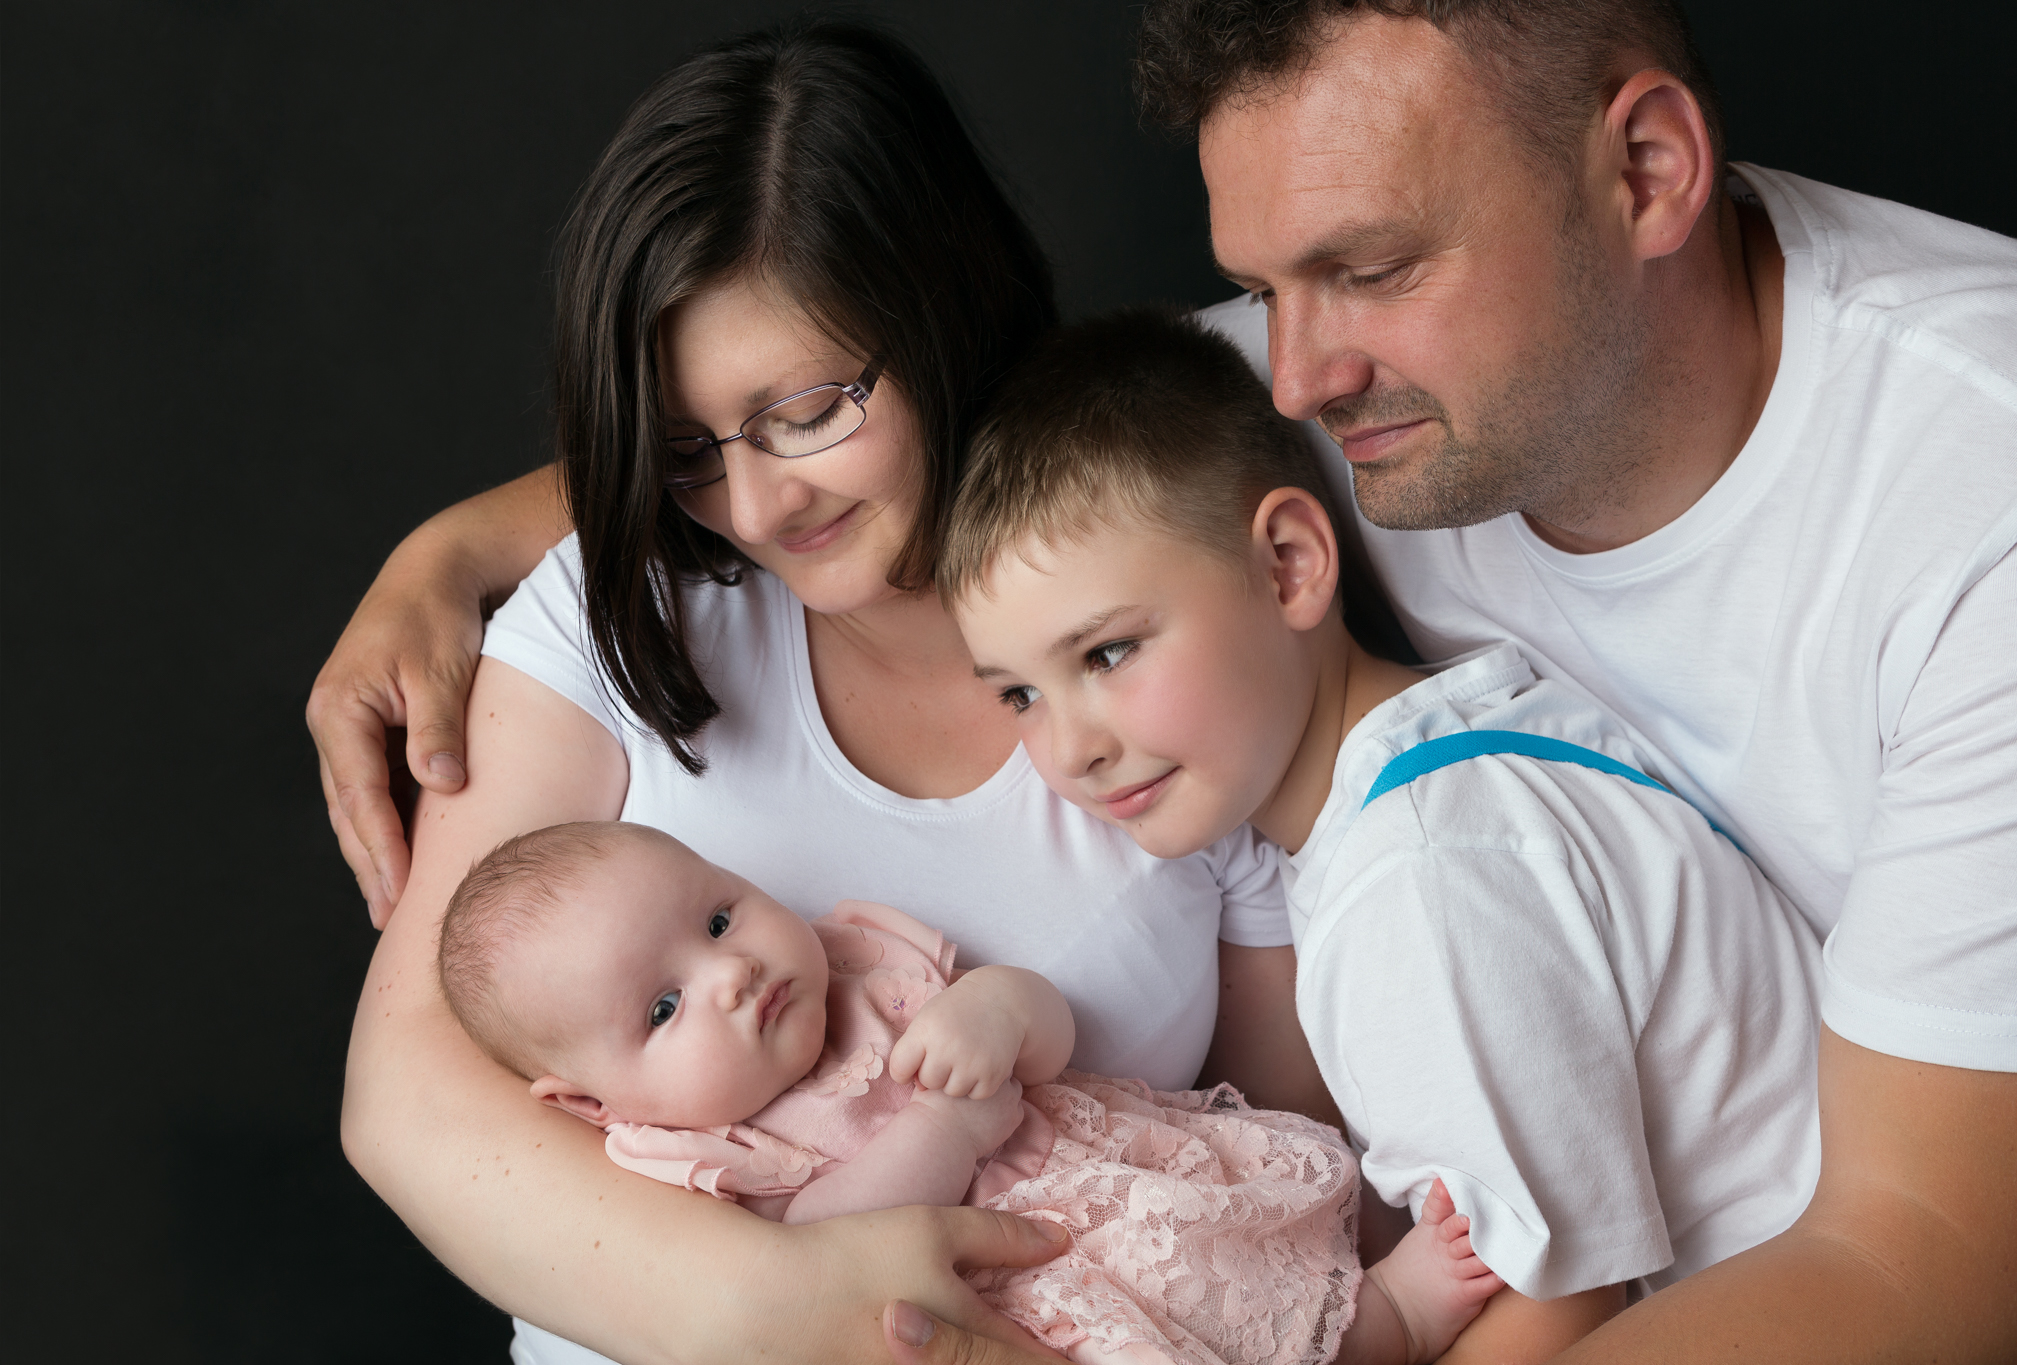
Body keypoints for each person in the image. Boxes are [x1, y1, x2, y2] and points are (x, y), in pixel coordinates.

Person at [323, 20, 1350, 1365]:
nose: (755, 509)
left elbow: (1283, 1183)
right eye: (688, 451)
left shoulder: (1173, 614)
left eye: (807, 413)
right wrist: (776, 1307)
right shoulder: (620, 613)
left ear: (942, 307)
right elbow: (405, 1096)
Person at [1132, 2, 2017, 1361]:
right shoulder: (1308, 425)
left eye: (1371, 269)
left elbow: (1917, 1260)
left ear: (1646, 171)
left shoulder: (1999, 493)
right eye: (1264, 293)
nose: (1297, 379)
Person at [940, 307, 1826, 1360]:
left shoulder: (1418, 882)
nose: (1069, 750)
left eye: (1107, 653)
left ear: (1288, 565)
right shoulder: (1461, 738)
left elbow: (1555, 1307)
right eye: (1019, 695)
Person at [437, 820, 1503, 1365]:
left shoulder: (860, 960)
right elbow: (819, 1239)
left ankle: (1391, 1320)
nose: (730, 972)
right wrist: (944, 1128)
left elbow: (1045, 1039)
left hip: (1118, 1187)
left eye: (718, 917)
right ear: (593, 1105)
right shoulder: (699, 1151)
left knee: (1268, 1279)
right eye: (664, 1007)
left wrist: (999, 1010)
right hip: (1016, 1296)